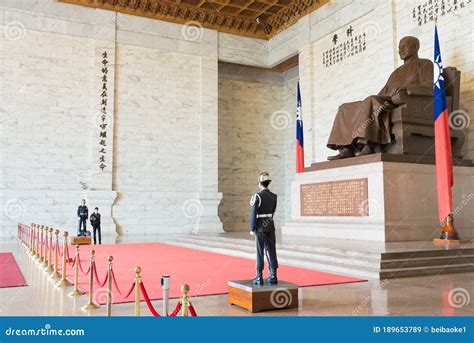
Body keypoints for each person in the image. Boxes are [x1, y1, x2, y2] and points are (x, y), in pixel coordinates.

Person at [327, 36, 433, 160]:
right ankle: (346, 148)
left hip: (404, 101)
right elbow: (382, 92)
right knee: (345, 108)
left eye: (404, 46)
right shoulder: (396, 72)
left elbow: (431, 87)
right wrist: (363, 105)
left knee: (372, 100)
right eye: (399, 48)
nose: (401, 50)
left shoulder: (425, 64)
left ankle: (368, 145)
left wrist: (408, 89)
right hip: (386, 100)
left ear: (415, 47)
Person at [249, 172, 278, 285]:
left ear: (260, 183)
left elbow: (253, 213)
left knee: (260, 251)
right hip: (270, 226)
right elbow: (273, 211)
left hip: (260, 227)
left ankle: (259, 276)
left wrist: (252, 228)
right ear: (268, 183)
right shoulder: (274, 196)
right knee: (271, 250)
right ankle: (273, 275)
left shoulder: (257, 196)